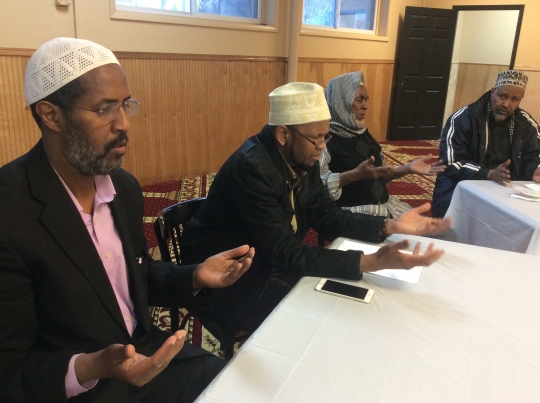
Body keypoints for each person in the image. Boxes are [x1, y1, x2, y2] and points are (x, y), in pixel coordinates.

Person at [0, 37, 255, 403]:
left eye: (125, 105)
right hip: (73, 388)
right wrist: (91, 367)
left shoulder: (124, 187)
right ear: (51, 114)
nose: (124, 124)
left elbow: (134, 277)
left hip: (146, 354)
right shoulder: (9, 211)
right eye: (105, 109)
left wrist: (194, 274)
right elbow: (8, 371)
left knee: (236, 387)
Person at [182, 82, 452, 336]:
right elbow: (286, 254)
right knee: (317, 321)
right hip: (228, 277)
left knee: (345, 302)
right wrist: (370, 262)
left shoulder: (301, 155)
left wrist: (388, 226)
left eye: (326, 137)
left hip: (266, 259)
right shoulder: (252, 169)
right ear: (283, 134)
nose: (322, 147)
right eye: (315, 139)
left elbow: (326, 215)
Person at [321, 71, 445, 218]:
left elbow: (379, 175)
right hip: (352, 215)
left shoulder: (364, 135)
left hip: (384, 206)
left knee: (434, 233)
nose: (365, 106)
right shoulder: (325, 140)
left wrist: (407, 168)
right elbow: (319, 186)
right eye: (359, 100)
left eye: (366, 99)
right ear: (340, 102)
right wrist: (355, 175)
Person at [432, 69, 540, 217]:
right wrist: (488, 173)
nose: (507, 104)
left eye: (515, 99)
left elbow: (533, 157)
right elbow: (450, 163)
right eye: (502, 96)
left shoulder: (526, 125)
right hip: (461, 186)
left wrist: (534, 170)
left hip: (507, 190)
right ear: (492, 92)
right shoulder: (462, 119)